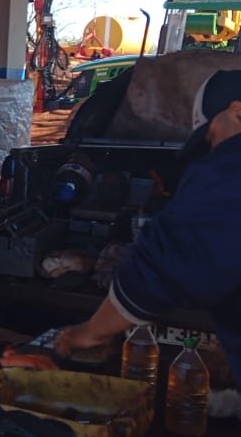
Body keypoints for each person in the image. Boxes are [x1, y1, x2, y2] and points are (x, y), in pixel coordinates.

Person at [57, 69, 241, 387]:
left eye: (211, 137)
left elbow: (168, 261)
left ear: (237, 112)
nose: (213, 151)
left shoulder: (230, 166)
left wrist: (89, 332)